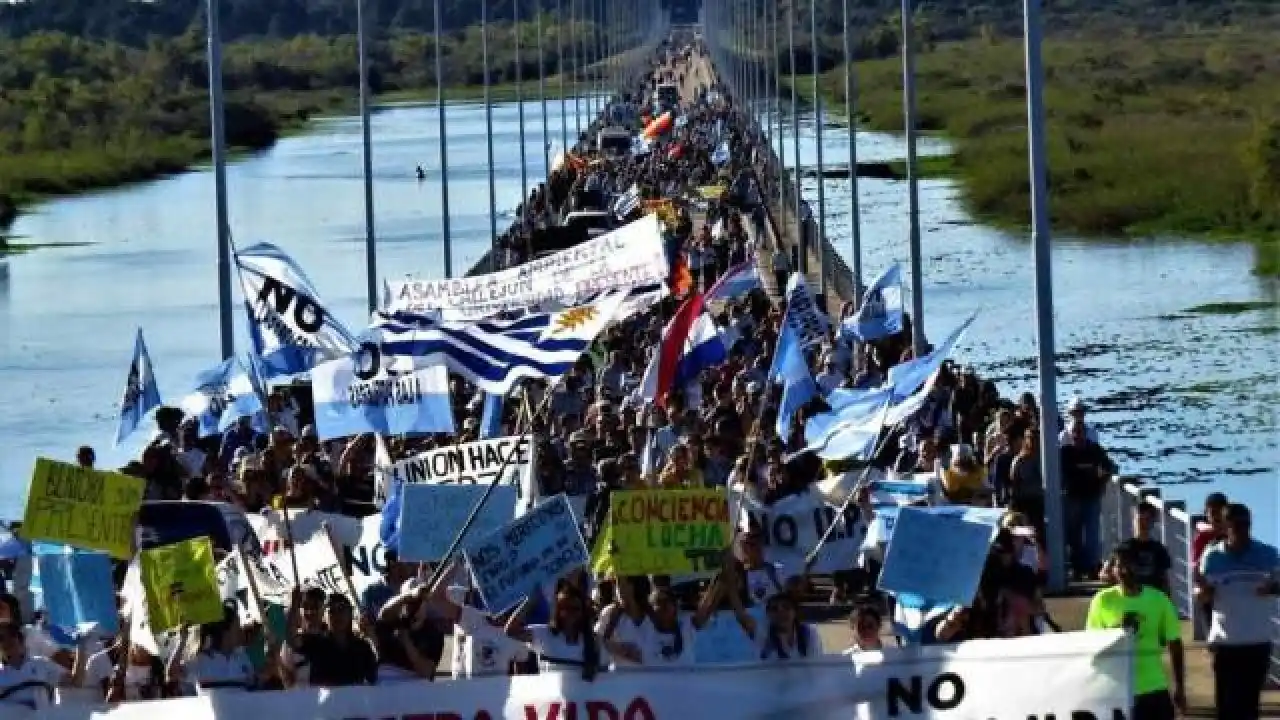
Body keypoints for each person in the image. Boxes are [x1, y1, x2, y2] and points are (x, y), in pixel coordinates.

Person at [1196, 503, 1279, 720]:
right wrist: (1204, 592)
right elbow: (1202, 595)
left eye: (1246, 525)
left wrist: (1273, 588)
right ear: (1225, 526)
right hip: (1226, 642)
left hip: (1257, 641)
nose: (1243, 530)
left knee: (1249, 707)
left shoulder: (1268, 554)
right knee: (1226, 708)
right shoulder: (1213, 557)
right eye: (1237, 525)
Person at [1085, 545, 1185, 720]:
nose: (1124, 571)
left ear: (1139, 568)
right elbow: (1091, 645)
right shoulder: (1102, 601)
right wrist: (1119, 630)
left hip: (1153, 688)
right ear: (1113, 570)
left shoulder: (1159, 600)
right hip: (1117, 690)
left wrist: (1180, 687)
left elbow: (1175, 644)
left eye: (1129, 565)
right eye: (1119, 566)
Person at [1099, 504, 1171, 595]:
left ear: (1153, 522)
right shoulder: (1123, 548)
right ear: (1134, 521)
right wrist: (1118, 577)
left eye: (1147, 520)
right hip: (1129, 597)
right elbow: (1103, 574)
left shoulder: (1159, 550)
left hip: (1152, 598)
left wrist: (1169, 602)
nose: (1143, 524)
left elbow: (1166, 581)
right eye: (1140, 520)